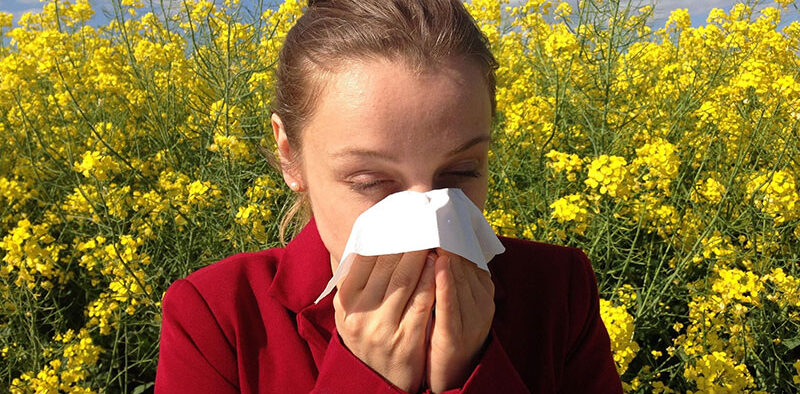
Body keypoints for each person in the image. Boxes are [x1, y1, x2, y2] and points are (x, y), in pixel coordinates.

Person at [154, 0, 623, 392]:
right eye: (370, 182)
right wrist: (366, 378)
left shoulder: (557, 291)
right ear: (290, 156)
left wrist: (473, 370)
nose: (428, 221)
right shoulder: (218, 317)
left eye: (461, 171)